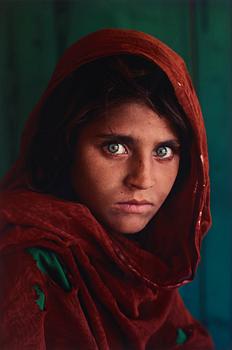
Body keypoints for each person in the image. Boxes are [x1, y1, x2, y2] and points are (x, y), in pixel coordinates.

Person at [0, 28, 214, 349]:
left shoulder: (145, 265)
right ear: (66, 144)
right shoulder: (25, 265)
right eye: (115, 147)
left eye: (163, 151)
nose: (142, 179)